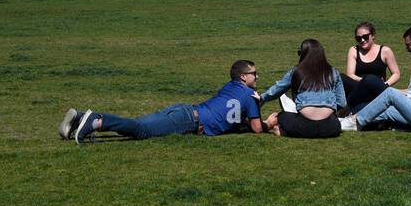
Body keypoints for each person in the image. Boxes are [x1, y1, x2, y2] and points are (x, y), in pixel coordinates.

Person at [59, 60, 264, 142]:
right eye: (254, 73)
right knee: (141, 130)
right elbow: (257, 128)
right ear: (243, 77)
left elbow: (231, 115)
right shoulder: (249, 96)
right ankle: (96, 120)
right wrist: (260, 107)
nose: (257, 77)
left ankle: (77, 121)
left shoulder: (231, 87)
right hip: (189, 120)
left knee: (139, 126)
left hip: (185, 113)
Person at [259, 38, 344, 138]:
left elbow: (277, 90)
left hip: (303, 126)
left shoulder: (296, 71)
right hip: (331, 128)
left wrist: (261, 99)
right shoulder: (333, 72)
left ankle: (283, 132)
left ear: (303, 54)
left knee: (282, 116)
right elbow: (342, 102)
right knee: (332, 120)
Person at [341, 22, 401, 112]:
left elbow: (396, 73)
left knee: (370, 82)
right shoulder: (354, 50)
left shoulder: (385, 51)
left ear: (372, 35)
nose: (362, 40)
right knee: (339, 77)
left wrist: (385, 84)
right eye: (358, 38)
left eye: (365, 37)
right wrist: (367, 82)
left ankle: (347, 109)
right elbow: (350, 74)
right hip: (358, 88)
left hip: (378, 89)